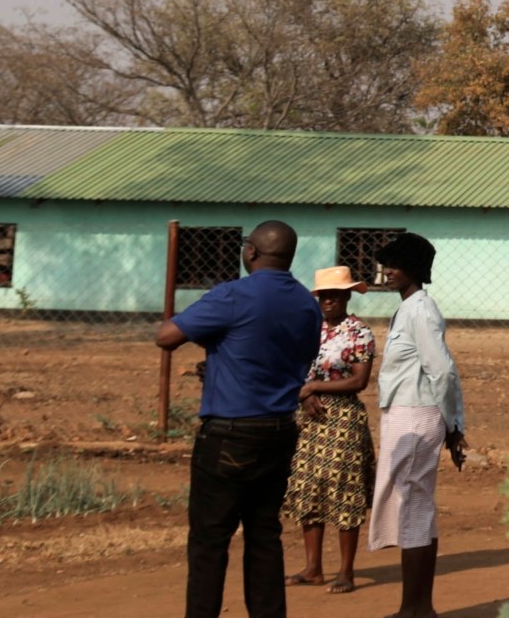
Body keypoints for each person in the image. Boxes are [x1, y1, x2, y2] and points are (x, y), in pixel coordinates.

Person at [157, 220, 320, 618]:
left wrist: (213, 340)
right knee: (264, 534)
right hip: (279, 429)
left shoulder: (233, 295)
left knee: (210, 540)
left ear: (251, 252)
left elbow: (166, 336)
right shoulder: (306, 303)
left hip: (229, 432)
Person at [366, 232, 465, 618]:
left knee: (413, 506)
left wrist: (454, 425)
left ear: (414, 270)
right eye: (386, 264)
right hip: (405, 411)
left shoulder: (421, 309)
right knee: (413, 505)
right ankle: (416, 606)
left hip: (417, 414)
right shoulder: (409, 308)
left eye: (395, 265)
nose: (387, 272)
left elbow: (442, 372)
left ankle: (416, 608)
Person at [284, 266, 378, 593]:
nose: (329, 301)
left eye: (336, 295)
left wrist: (314, 388)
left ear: (347, 296)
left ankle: (346, 572)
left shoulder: (358, 332)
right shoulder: (310, 329)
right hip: (309, 416)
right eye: (324, 295)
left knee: (344, 490)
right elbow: (294, 369)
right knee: (308, 485)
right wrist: (306, 392)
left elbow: (359, 380)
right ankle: (313, 569)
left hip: (343, 418)